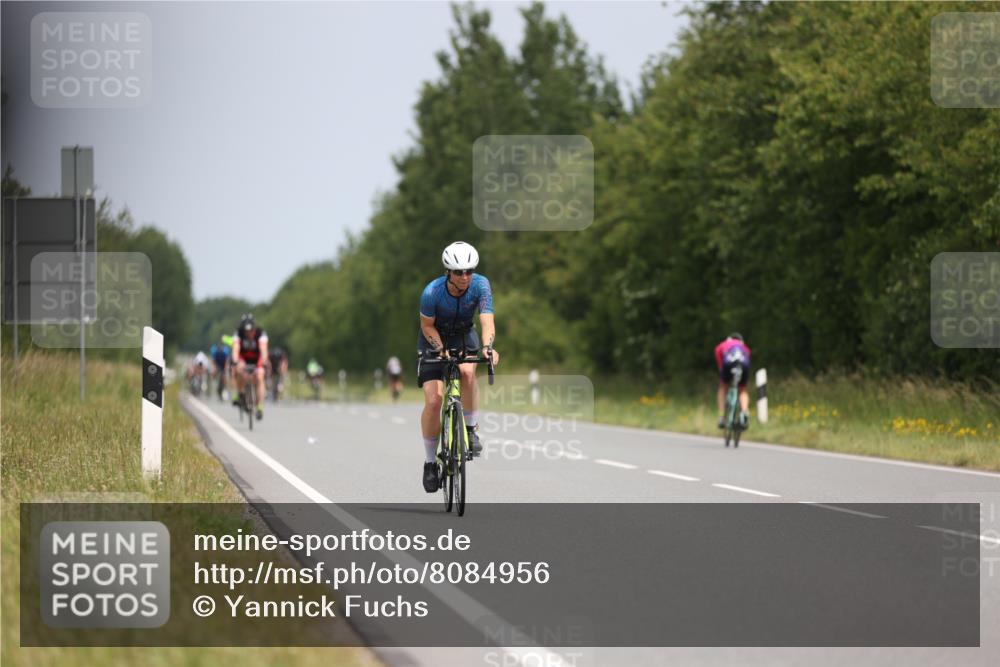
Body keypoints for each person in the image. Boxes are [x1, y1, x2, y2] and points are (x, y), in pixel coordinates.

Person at [417, 241, 500, 493]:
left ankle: (471, 428)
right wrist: (440, 350)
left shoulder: (480, 285)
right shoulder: (432, 292)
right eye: (459, 272)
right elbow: (427, 326)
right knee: (434, 401)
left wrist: (487, 347)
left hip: (465, 335)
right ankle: (431, 463)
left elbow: (487, 321)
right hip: (433, 337)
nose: (465, 277)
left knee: (466, 373)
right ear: (448, 272)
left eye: (469, 271)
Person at [231, 314, 268, 420]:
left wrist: (264, 361)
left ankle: (259, 407)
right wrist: (235, 360)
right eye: (246, 331)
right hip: (243, 358)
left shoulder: (261, 334)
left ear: (254, 328)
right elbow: (236, 349)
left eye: (251, 330)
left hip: (257, 359)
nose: (249, 333)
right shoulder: (238, 334)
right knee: (239, 368)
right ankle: (241, 392)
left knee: (260, 377)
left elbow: (263, 349)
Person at [715, 332, 751, 430]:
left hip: (728, 362)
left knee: (723, 387)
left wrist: (723, 376)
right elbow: (748, 360)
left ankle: (722, 416)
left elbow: (720, 364)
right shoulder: (745, 347)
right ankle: (744, 412)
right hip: (744, 364)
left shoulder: (723, 345)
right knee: (743, 389)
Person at [209, 334, 232, 401]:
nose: (219, 350)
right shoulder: (215, 353)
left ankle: (225, 387)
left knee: (224, 376)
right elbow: (213, 361)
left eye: (220, 349)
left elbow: (227, 361)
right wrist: (214, 369)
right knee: (214, 373)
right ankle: (213, 382)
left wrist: (225, 369)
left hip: (223, 365)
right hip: (218, 365)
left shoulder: (224, 353)